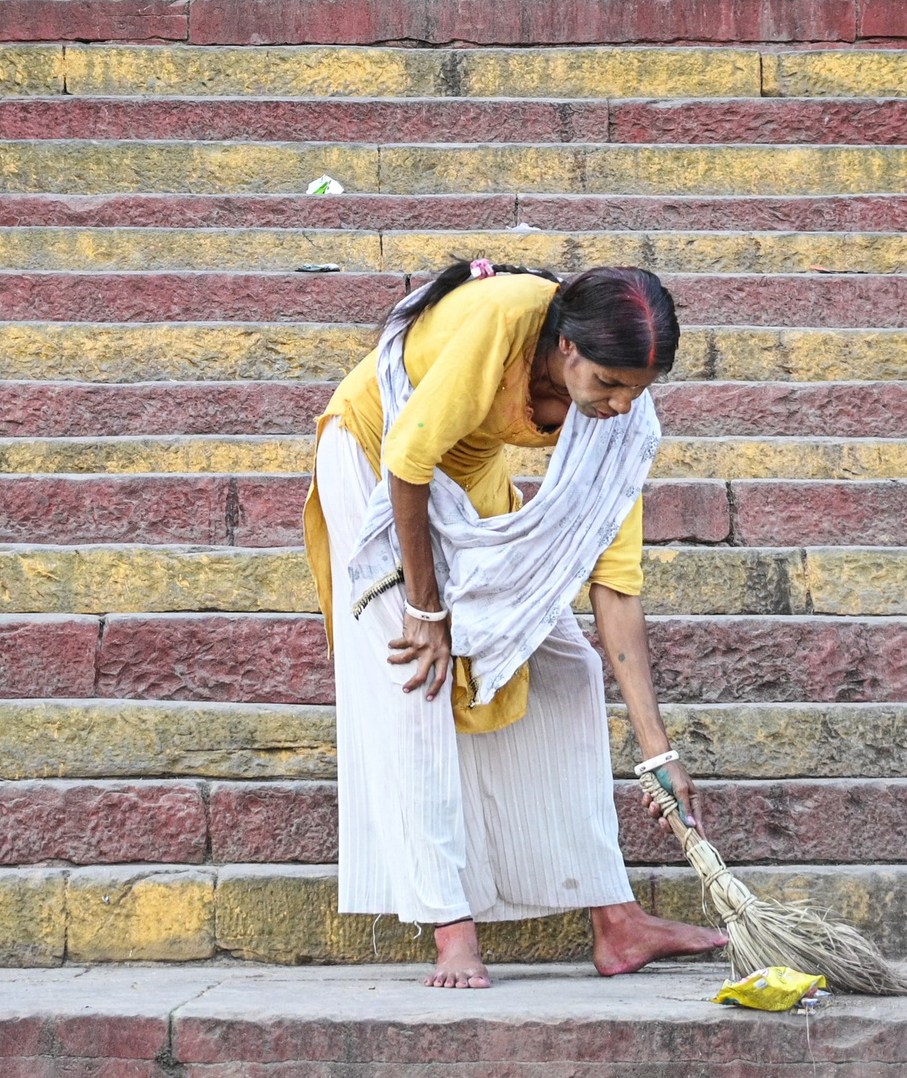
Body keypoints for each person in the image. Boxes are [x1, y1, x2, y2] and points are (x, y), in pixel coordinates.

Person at [304, 258, 727, 988]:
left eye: (638, 390)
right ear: (566, 347)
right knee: (420, 675)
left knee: (568, 669)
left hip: (465, 475)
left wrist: (659, 754)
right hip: (375, 455)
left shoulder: (622, 419)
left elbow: (615, 584)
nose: (622, 405)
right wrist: (426, 610)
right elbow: (408, 460)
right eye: (609, 384)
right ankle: (452, 931)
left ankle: (616, 920)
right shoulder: (502, 317)